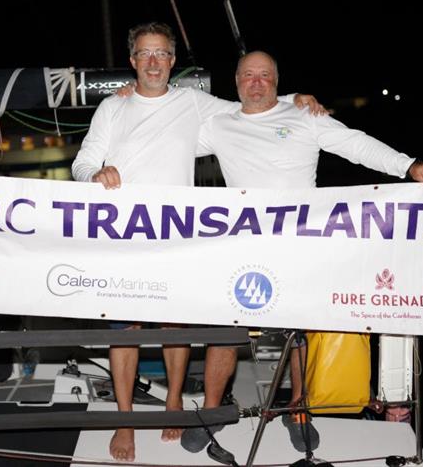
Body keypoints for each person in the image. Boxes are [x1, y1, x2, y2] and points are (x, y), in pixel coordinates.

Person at [71, 23, 325, 462]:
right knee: (126, 330)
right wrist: (94, 174)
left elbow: (249, 106)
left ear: (172, 61)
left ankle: (173, 404)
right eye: (145, 54)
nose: (153, 62)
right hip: (123, 235)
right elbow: (83, 161)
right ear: (133, 61)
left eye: (162, 54)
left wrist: (295, 100)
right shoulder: (113, 107)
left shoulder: (191, 102)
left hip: (175, 237)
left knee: (174, 325)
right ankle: (125, 419)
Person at [179, 51, 423, 454]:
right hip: (240, 246)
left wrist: (408, 166)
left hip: (301, 245)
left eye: (265, 75)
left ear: (277, 81)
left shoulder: (303, 116)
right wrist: (134, 102)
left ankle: (298, 410)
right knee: (224, 334)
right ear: (236, 81)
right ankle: (213, 411)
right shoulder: (219, 123)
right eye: (249, 75)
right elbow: (165, 146)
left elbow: (355, 143)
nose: (256, 82)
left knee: (298, 334)